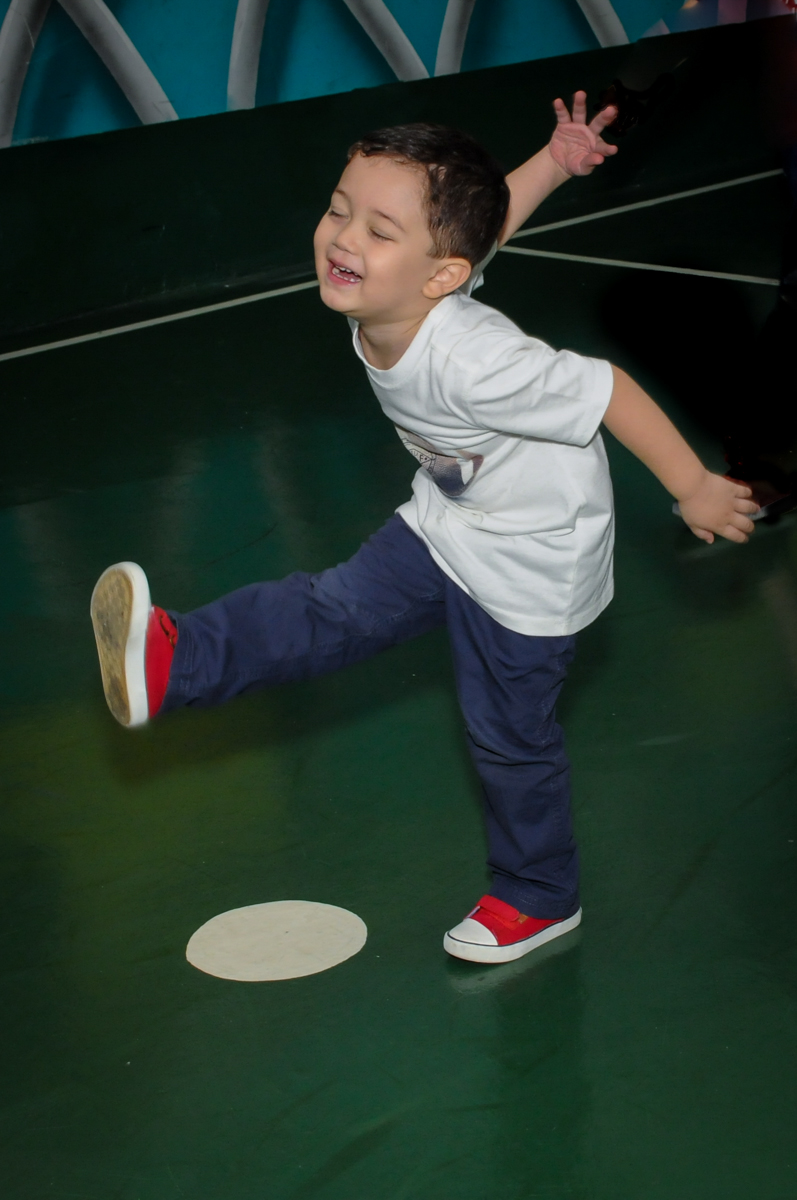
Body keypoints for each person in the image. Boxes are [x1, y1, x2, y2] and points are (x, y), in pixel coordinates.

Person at [90, 93, 758, 966]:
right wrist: (553, 162)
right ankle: (174, 661)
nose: (343, 238)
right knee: (329, 608)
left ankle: (538, 896)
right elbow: (483, 233)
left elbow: (606, 389)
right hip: (451, 519)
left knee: (508, 739)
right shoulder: (405, 294)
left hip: (531, 565)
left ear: (437, 276)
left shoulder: (476, 362)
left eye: (378, 230)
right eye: (339, 210)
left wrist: (694, 486)